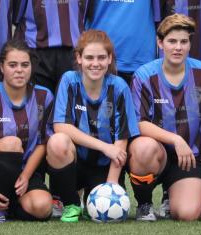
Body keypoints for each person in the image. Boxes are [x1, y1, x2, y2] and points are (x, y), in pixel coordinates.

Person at [128, 14, 201, 222]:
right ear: (160, 43)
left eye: (183, 42)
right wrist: (176, 139)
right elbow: (139, 123)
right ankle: (144, 204)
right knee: (143, 148)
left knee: (187, 214)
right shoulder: (143, 76)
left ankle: (172, 198)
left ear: (190, 44)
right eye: (172, 41)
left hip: (189, 158)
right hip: (156, 154)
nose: (178, 47)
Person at [48, 30, 138, 222]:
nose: (95, 63)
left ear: (109, 59)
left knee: (95, 211)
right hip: (75, 164)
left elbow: (121, 141)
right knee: (57, 142)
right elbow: (61, 126)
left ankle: (92, 196)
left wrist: (110, 187)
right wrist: (105, 147)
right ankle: (71, 203)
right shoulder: (69, 80)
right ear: (79, 58)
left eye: (101, 58)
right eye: (89, 57)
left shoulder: (119, 87)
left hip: (105, 166)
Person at [0, 39, 55, 223]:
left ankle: (11, 208)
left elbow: (43, 143)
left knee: (42, 207)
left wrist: (26, 175)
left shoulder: (44, 96)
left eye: (25, 65)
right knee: (12, 143)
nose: (19, 70)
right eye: (12, 65)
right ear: (2, 67)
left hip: (24, 172)